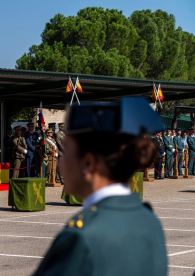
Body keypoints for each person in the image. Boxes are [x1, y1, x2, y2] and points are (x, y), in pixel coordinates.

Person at [34, 97, 167, 276]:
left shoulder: (81, 236)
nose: (62, 164)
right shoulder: (149, 220)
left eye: (68, 153)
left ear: (88, 163)